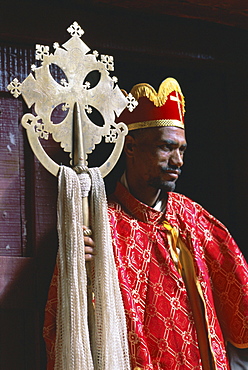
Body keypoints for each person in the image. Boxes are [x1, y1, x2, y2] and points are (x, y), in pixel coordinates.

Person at [43, 77, 248, 369]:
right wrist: (80, 270)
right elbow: (68, 321)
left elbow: (239, 299)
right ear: (130, 147)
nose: (177, 160)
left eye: (182, 150)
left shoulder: (194, 218)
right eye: (166, 147)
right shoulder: (101, 223)